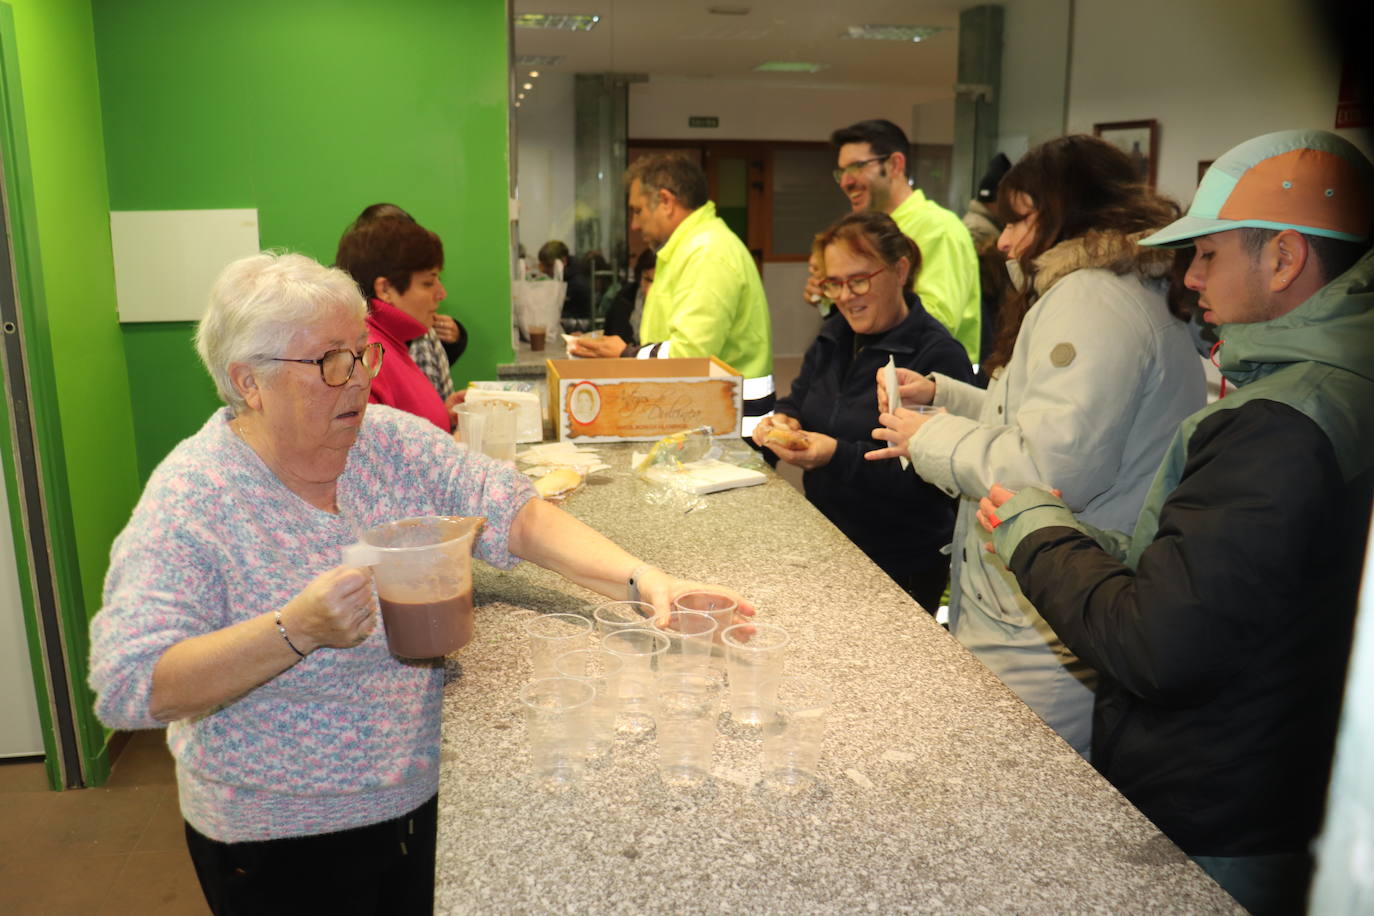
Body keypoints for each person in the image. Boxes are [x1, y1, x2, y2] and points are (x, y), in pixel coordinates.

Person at [87, 252, 754, 916]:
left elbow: (512, 510)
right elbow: (129, 685)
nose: (356, 382)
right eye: (329, 362)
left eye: (362, 353)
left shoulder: (387, 444)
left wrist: (642, 580)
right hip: (281, 836)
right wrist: (294, 632)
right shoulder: (194, 498)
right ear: (248, 382)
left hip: (418, 792)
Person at [976, 129, 1374, 915]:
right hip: (1280, 779)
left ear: (1285, 259)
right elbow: (1227, 577)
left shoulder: (1279, 427)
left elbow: (1159, 644)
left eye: (1210, 255)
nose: (1189, 279)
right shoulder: (1323, 391)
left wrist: (1037, 530)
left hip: (1223, 808)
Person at [866, 135, 1205, 757]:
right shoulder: (1108, 287)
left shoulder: (1092, 298)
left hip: (1044, 624)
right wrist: (943, 400)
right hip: (1045, 605)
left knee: (1017, 798)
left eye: (1021, 218)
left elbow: (1049, 471)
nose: (1004, 241)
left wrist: (929, 438)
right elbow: (1032, 416)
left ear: (1070, 212)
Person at [753, 212, 973, 611]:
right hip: (828, 540)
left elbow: (927, 481)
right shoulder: (834, 335)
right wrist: (786, 419)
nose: (845, 296)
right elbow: (801, 397)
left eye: (858, 280)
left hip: (899, 560)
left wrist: (834, 455)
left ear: (900, 270)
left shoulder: (936, 358)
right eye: (834, 284)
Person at [569, 154, 775, 434]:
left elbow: (690, 354)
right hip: (705, 414)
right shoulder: (686, 249)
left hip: (730, 426)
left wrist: (628, 354)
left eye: (638, 210)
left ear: (666, 201)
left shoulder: (708, 253)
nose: (634, 225)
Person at [818, 119, 982, 364]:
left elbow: (938, 321)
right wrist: (830, 294)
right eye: (841, 172)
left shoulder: (939, 228)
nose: (845, 182)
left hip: (931, 384)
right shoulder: (869, 232)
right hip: (879, 372)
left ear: (895, 164)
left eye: (856, 167)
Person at [335, 216, 463, 431]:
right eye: (428, 282)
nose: (441, 293)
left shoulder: (391, 341)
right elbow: (374, 456)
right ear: (385, 289)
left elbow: (401, 431)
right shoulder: (368, 355)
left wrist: (443, 415)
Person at [602, 248, 655, 345]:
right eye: (647, 279)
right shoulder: (624, 300)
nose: (650, 289)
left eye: (657, 282)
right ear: (639, 277)